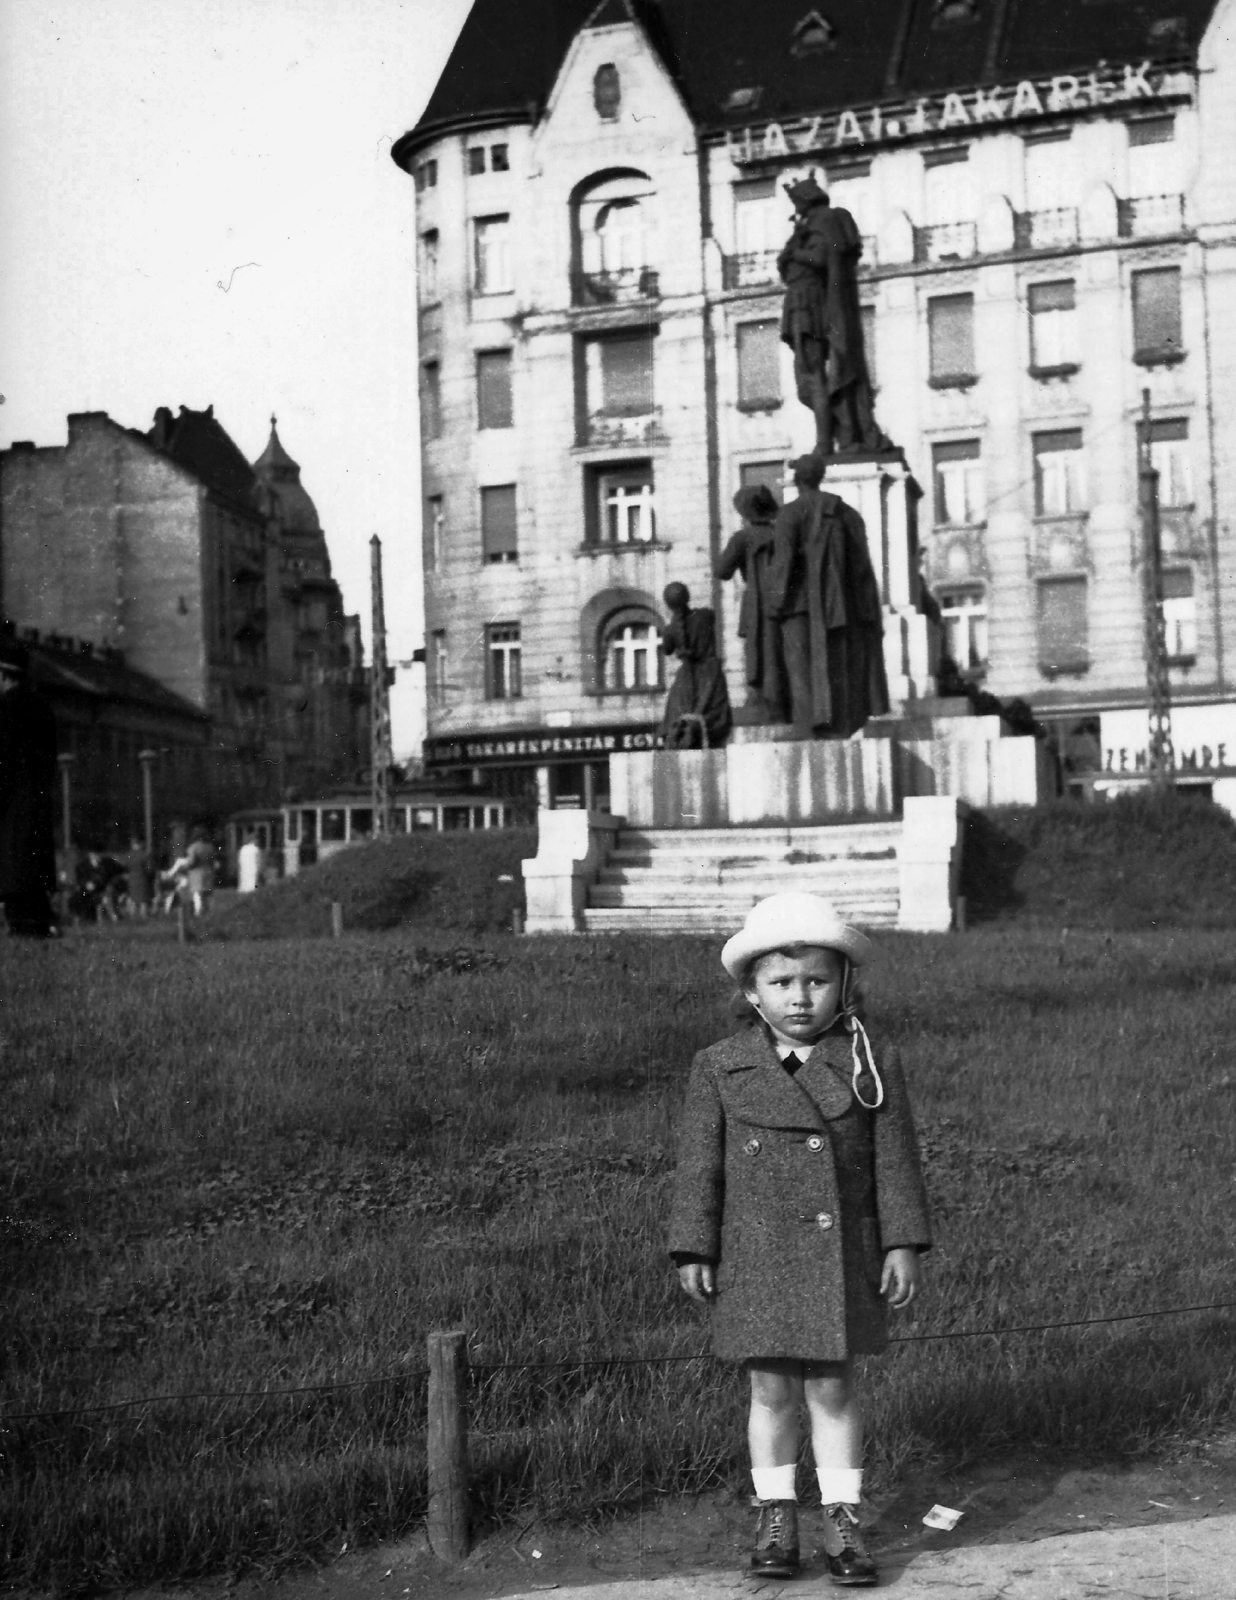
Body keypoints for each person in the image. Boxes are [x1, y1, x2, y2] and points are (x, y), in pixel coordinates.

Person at [669, 893, 931, 1585]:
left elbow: (894, 1160)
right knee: (771, 1391)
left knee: (835, 1391)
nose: (799, 998)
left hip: (840, 1253)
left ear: (844, 985)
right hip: (756, 1256)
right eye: (780, 983)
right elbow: (701, 1165)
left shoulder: (870, 1061)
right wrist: (695, 1245)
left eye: (816, 981)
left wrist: (900, 1241)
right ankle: (776, 1514)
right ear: (751, 991)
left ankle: (843, 1521)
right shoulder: (720, 1065)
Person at [768, 454, 890, 737]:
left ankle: (809, 727)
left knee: (801, 670)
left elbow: (784, 564)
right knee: (839, 668)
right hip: (840, 607)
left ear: (797, 479)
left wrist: (775, 604)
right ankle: (839, 726)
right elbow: (862, 569)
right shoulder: (847, 514)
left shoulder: (790, 513)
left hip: (799, 607)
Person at [778, 176, 889, 458]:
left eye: (797, 202)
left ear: (806, 200)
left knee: (812, 377)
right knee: (807, 381)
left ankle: (826, 443)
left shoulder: (823, 220)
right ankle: (838, 434)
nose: (796, 209)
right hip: (799, 304)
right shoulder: (811, 224)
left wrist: (795, 252)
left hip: (810, 305)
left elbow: (824, 258)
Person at [0, 641, 60, 938]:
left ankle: (24, 931)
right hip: (40, 803)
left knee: (14, 876)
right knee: (32, 876)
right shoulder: (43, 708)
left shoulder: (5, 708)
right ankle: (38, 927)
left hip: (11, 806)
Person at [715, 484, 790, 722]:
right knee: (780, 651)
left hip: (756, 602)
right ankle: (782, 702)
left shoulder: (742, 537)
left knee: (757, 652)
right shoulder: (783, 534)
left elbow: (722, 570)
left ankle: (761, 701)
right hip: (783, 601)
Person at [660, 582, 733, 749]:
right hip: (710, 674)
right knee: (713, 713)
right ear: (687, 597)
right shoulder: (705, 615)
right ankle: (694, 729)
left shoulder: (670, 630)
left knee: (679, 711)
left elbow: (666, 649)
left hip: (686, 677)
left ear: (668, 604)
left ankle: (682, 731)